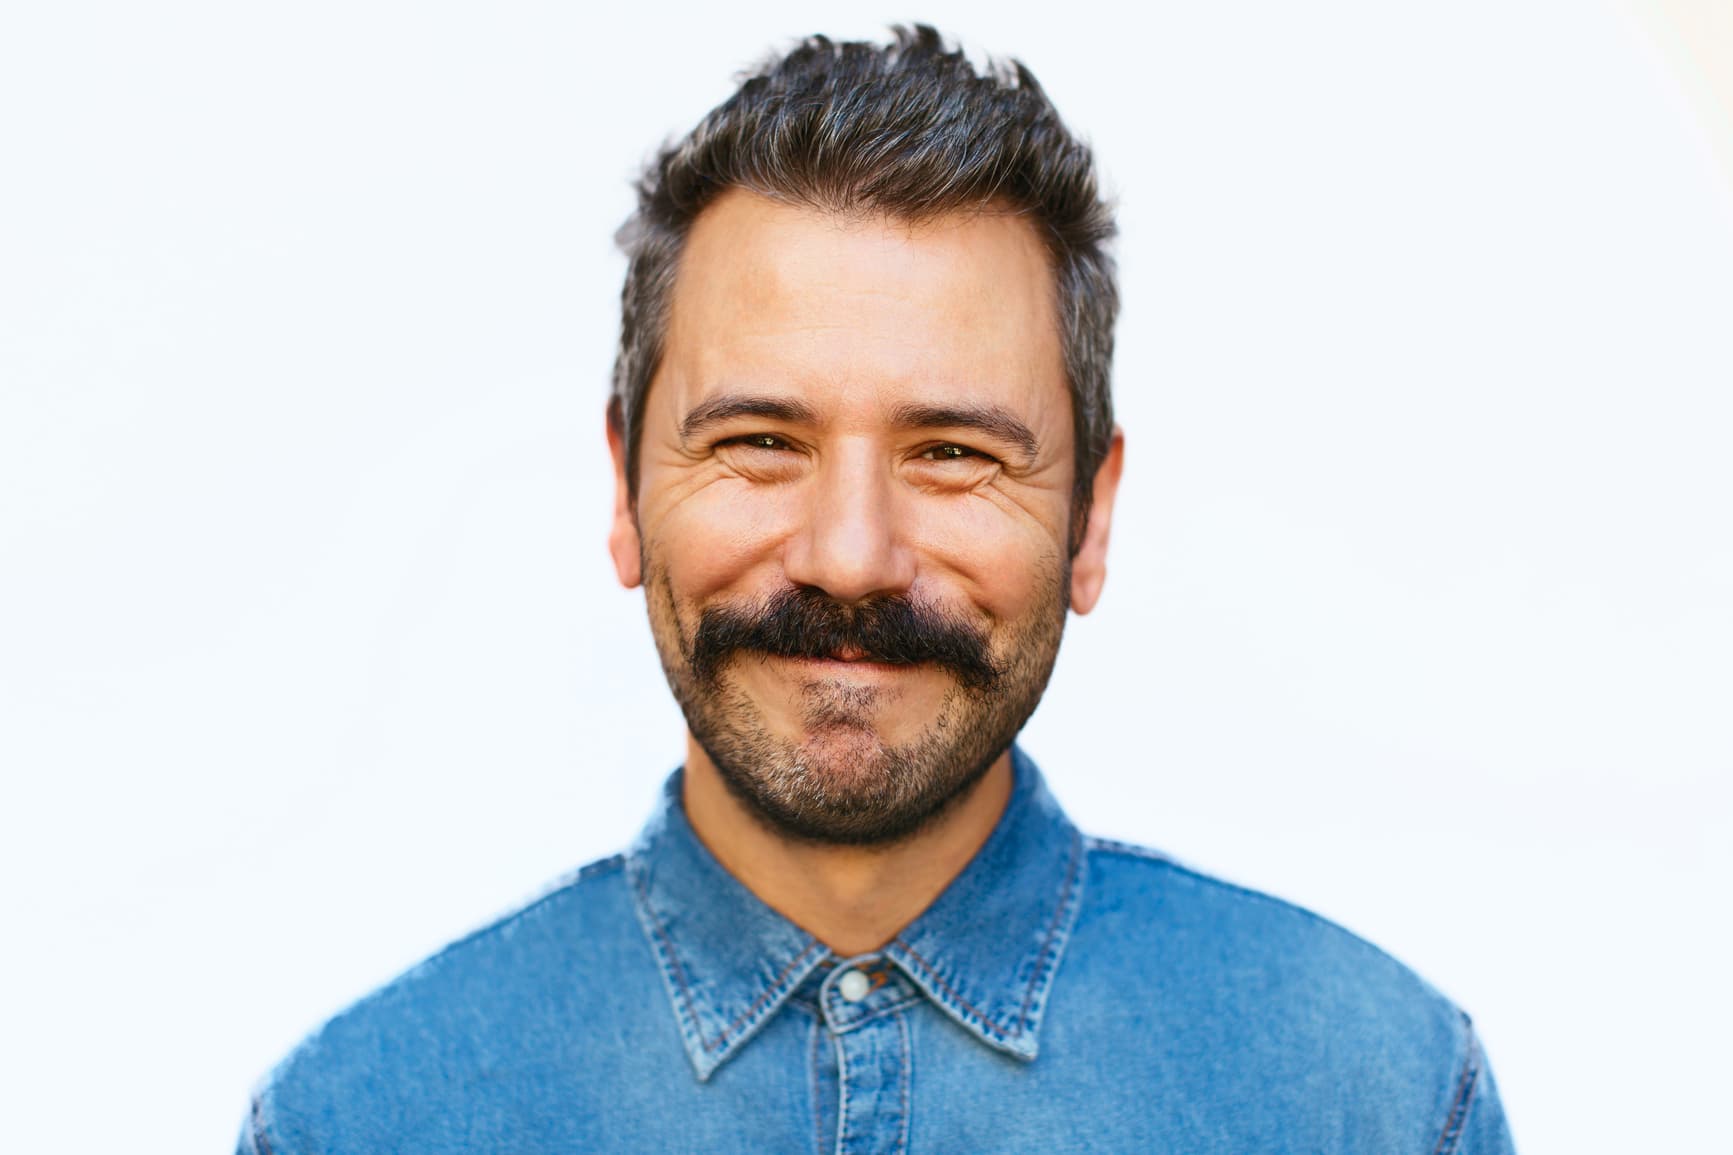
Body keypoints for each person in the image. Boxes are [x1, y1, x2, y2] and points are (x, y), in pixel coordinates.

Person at [239, 25, 1515, 1153]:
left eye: (952, 455)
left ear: (1091, 514)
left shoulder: (1375, 1101)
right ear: (626, 488)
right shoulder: (361, 1124)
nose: (849, 556)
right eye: (759, 443)